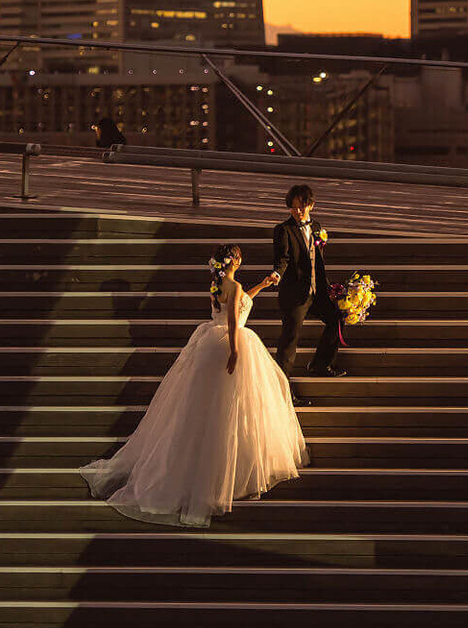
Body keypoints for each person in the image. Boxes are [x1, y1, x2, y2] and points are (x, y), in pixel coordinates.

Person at [79, 244, 308, 526]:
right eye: (239, 256)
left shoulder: (217, 285)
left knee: (206, 407)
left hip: (210, 343)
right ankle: (225, 475)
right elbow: (236, 321)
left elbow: (238, 305)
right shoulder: (233, 286)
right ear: (236, 260)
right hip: (231, 344)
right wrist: (235, 352)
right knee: (234, 407)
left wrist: (261, 284)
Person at [259, 185, 345, 400]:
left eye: (302, 207)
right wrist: (276, 275)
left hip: (318, 291)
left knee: (336, 319)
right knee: (289, 340)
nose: (298, 211)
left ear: (311, 205)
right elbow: (282, 259)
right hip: (295, 294)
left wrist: (329, 288)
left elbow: (319, 261)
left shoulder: (317, 227)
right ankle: (283, 390)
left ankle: (320, 364)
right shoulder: (283, 230)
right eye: (293, 208)